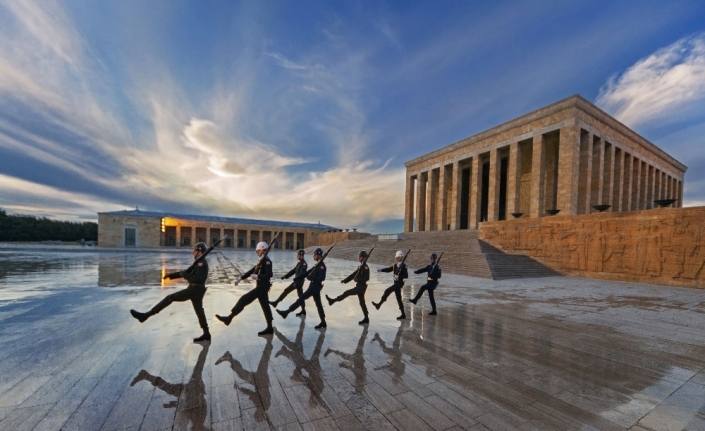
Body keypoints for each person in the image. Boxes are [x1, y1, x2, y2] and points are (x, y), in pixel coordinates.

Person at [129, 242, 211, 342]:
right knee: (199, 311)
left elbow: (199, 278)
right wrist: (171, 276)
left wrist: (185, 275)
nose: (192, 252)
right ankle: (206, 333)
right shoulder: (198, 261)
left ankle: (146, 315)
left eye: (194, 250)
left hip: (195, 289)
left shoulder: (201, 263)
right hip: (196, 289)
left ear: (199, 252)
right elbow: (185, 272)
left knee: (170, 298)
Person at [215, 241, 274, 336]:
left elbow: (269, 274)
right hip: (260, 287)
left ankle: (229, 318)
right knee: (265, 306)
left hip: (263, 287)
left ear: (262, 250)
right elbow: (252, 270)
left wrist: (258, 276)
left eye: (257, 250)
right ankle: (270, 327)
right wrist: (240, 278)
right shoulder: (261, 260)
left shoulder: (267, 261)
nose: (256, 252)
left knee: (244, 299)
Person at [276, 247, 327, 329]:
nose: (313, 256)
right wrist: (297, 278)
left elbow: (322, 278)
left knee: (301, 298)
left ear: (319, 255)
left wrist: (311, 278)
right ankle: (323, 322)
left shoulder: (321, 266)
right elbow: (307, 273)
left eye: (314, 255)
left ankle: (286, 312)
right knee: (318, 305)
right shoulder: (317, 265)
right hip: (314, 286)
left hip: (315, 287)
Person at [326, 250, 370, 324]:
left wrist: (358, 279)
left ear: (363, 258)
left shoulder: (365, 267)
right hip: (360, 286)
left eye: (360, 257)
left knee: (347, 292)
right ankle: (366, 318)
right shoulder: (361, 266)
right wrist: (345, 280)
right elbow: (353, 275)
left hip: (361, 287)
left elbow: (367, 278)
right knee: (362, 302)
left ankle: (333, 300)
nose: (358, 258)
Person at [371, 250, 408, 320]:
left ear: (401, 257)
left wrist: (399, 277)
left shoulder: (404, 266)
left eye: (399, 257)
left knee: (387, 290)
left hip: (399, 283)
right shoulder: (395, 265)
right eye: (397, 257)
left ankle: (379, 304)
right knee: (399, 299)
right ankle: (403, 314)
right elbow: (388, 269)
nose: (397, 258)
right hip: (395, 283)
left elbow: (406, 275)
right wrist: (381, 270)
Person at [269, 249, 308, 316]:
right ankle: (303, 311)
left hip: (298, 283)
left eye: (298, 255)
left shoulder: (303, 264)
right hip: (297, 282)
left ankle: (276, 302)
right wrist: (285, 276)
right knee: (301, 297)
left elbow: (302, 274)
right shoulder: (300, 263)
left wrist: (296, 281)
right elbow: (293, 271)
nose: (297, 256)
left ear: (301, 255)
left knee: (287, 291)